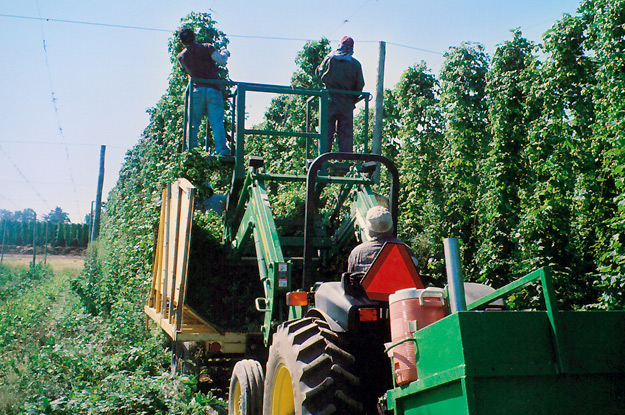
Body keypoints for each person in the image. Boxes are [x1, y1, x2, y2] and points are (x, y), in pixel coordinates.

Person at [177, 28, 231, 156]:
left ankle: (191, 150)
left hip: (196, 91)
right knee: (217, 122)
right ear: (194, 37)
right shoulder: (207, 47)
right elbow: (222, 61)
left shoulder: (181, 57)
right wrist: (225, 52)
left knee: (193, 123)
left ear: (182, 42)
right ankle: (222, 150)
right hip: (213, 90)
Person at [316, 36, 365, 153]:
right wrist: (351, 99)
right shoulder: (356, 64)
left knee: (326, 132)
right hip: (346, 104)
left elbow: (319, 73)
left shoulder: (330, 58)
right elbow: (360, 86)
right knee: (346, 134)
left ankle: (323, 159)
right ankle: (346, 160)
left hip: (328, 101)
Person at [348, 206, 417, 275]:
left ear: (369, 230)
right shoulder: (406, 251)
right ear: (391, 228)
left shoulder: (357, 254)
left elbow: (350, 280)